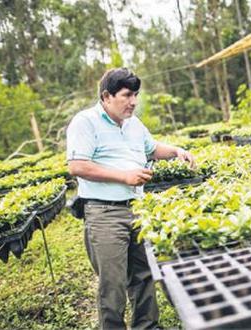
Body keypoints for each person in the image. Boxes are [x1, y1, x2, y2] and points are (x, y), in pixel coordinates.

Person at [66, 68, 195, 329]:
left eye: (135, 95)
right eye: (126, 95)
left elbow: (152, 148)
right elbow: (77, 166)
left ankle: (147, 326)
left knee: (144, 275)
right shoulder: (86, 122)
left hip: (138, 209)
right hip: (105, 214)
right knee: (112, 283)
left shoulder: (134, 124)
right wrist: (124, 176)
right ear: (106, 96)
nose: (133, 101)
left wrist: (177, 151)